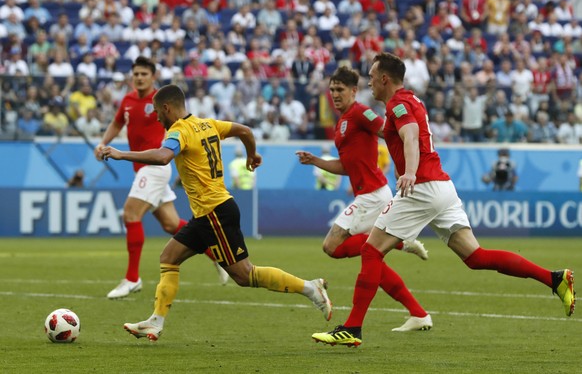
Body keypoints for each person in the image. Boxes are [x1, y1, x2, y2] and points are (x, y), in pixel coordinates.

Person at [312, 52, 575, 347]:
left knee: (371, 252)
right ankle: (553, 278)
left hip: (421, 187)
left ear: (384, 78)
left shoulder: (398, 104)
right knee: (476, 257)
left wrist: (409, 172)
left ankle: (353, 328)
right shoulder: (412, 101)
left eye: (372, 76)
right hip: (442, 187)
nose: (369, 82)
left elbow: (410, 135)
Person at [100, 84, 332, 341]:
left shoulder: (179, 131)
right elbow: (245, 130)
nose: (155, 117)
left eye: (157, 111)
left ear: (167, 108)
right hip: (207, 214)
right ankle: (156, 321)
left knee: (245, 275)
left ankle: (311, 288)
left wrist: (122, 154)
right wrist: (251, 154)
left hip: (215, 213)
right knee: (169, 257)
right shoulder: (207, 124)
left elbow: (164, 156)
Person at [296, 66, 430, 333]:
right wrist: (316, 161)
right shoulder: (342, 122)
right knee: (374, 260)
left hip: (372, 194)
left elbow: (386, 129)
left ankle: (400, 242)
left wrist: (408, 153)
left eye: (340, 89)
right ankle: (419, 313)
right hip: (367, 193)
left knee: (332, 246)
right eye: (332, 89)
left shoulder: (360, 112)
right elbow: (347, 166)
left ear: (354, 91)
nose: (334, 94)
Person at [94, 56, 227, 300]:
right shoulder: (127, 100)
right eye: (136, 74)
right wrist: (103, 143)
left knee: (130, 214)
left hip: (154, 166)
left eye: (144, 74)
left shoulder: (162, 102)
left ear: (153, 76)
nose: (139, 78)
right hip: (143, 169)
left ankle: (132, 278)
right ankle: (216, 255)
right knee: (170, 224)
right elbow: (115, 124)